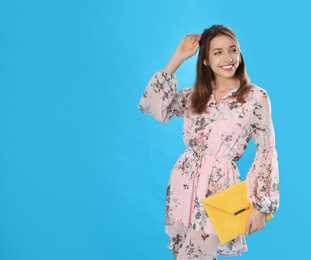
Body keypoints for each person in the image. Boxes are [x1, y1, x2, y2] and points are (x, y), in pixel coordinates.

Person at [137, 25, 279, 260]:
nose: (228, 58)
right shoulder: (196, 94)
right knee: (181, 254)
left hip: (219, 188)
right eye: (218, 52)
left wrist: (260, 205)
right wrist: (178, 57)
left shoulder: (256, 97)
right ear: (205, 61)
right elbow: (154, 107)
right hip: (184, 184)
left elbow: (266, 150)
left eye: (233, 50)